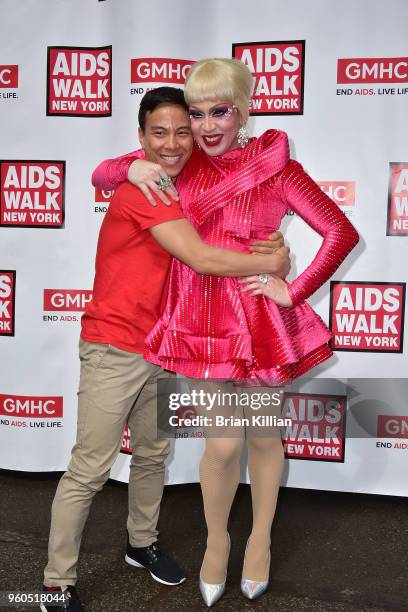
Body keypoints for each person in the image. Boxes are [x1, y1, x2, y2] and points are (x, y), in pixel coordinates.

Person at [92, 58, 359, 607]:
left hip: (260, 323)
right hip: (200, 324)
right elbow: (100, 174)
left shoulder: (276, 166)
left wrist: (294, 285)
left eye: (221, 112)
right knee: (221, 444)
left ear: (243, 111)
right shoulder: (178, 162)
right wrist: (128, 169)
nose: (208, 126)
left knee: (262, 436)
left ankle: (259, 540)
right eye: (197, 113)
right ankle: (218, 541)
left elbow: (340, 230)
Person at [40, 86, 291, 612]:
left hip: (169, 346)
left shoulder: (191, 174)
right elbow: (200, 257)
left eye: (184, 130)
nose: (174, 143)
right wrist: (271, 265)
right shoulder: (142, 186)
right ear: (141, 138)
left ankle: (140, 543)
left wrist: (275, 243)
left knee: (152, 456)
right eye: (160, 132)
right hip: (114, 345)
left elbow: (245, 187)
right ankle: (54, 584)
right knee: (90, 467)